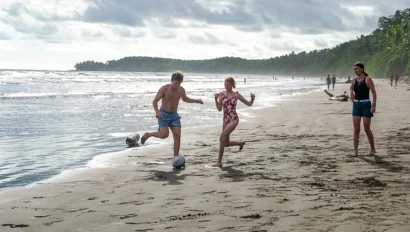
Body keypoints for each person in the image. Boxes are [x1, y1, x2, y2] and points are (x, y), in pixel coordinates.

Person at [141, 71, 203, 157]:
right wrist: (157, 112)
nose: (177, 85)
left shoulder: (181, 90)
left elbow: (185, 99)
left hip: (174, 116)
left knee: (177, 135)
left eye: (179, 84)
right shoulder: (164, 89)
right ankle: (148, 134)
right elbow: (155, 101)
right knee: (164, 135)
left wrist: (196, 100)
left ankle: (176, 157)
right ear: (172, 81)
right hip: (163, 114)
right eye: (175, 83)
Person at [213, 77, 255, 167]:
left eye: (228, 85)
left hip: (234, 119)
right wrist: (215, 100)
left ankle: (219, 162)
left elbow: (248, 104)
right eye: (225, 85)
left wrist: (252, 99)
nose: (226, 87)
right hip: (225, 120)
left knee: (222, 137)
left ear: (232, 85)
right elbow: (219, 109)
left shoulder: (236, 95)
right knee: (225, 143)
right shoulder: (221, 94)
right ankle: (240, 143)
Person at [350, 62, 377, 156]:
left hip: (366, 105)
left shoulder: (367, 79)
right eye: (354, 69)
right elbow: (351, 88)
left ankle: (372, 149)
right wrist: (351, 93)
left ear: (362, 69)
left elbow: (373, 92)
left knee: (367, 129)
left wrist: (373, 105)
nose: (355, 70)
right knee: (356, 129)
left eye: (356, 68)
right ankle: (355, 151)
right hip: (356, 105)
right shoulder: (354, 80)